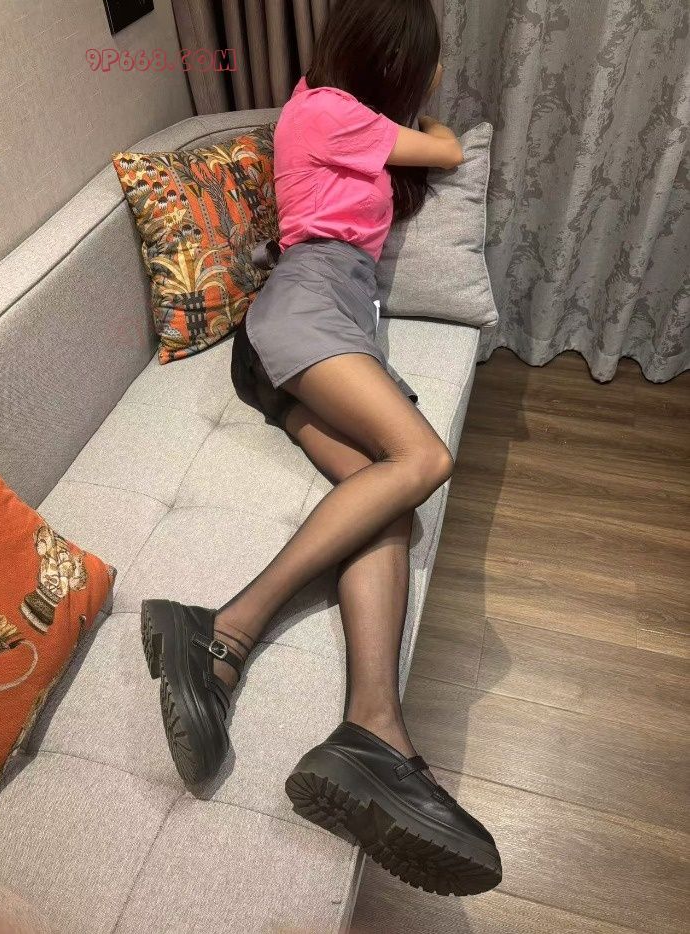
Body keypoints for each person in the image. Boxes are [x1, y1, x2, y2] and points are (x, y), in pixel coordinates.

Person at [141, 0, 501, 897]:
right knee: (422, 461)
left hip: (327, 325)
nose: (434, 75)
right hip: (304, 310)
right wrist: (425, 111)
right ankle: (223, 629)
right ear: (393, 58)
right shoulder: (331, 110)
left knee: (391, 508)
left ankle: (371, 733)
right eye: (428, 60)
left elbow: (430, 153)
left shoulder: (344, 118)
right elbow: (447, 148)